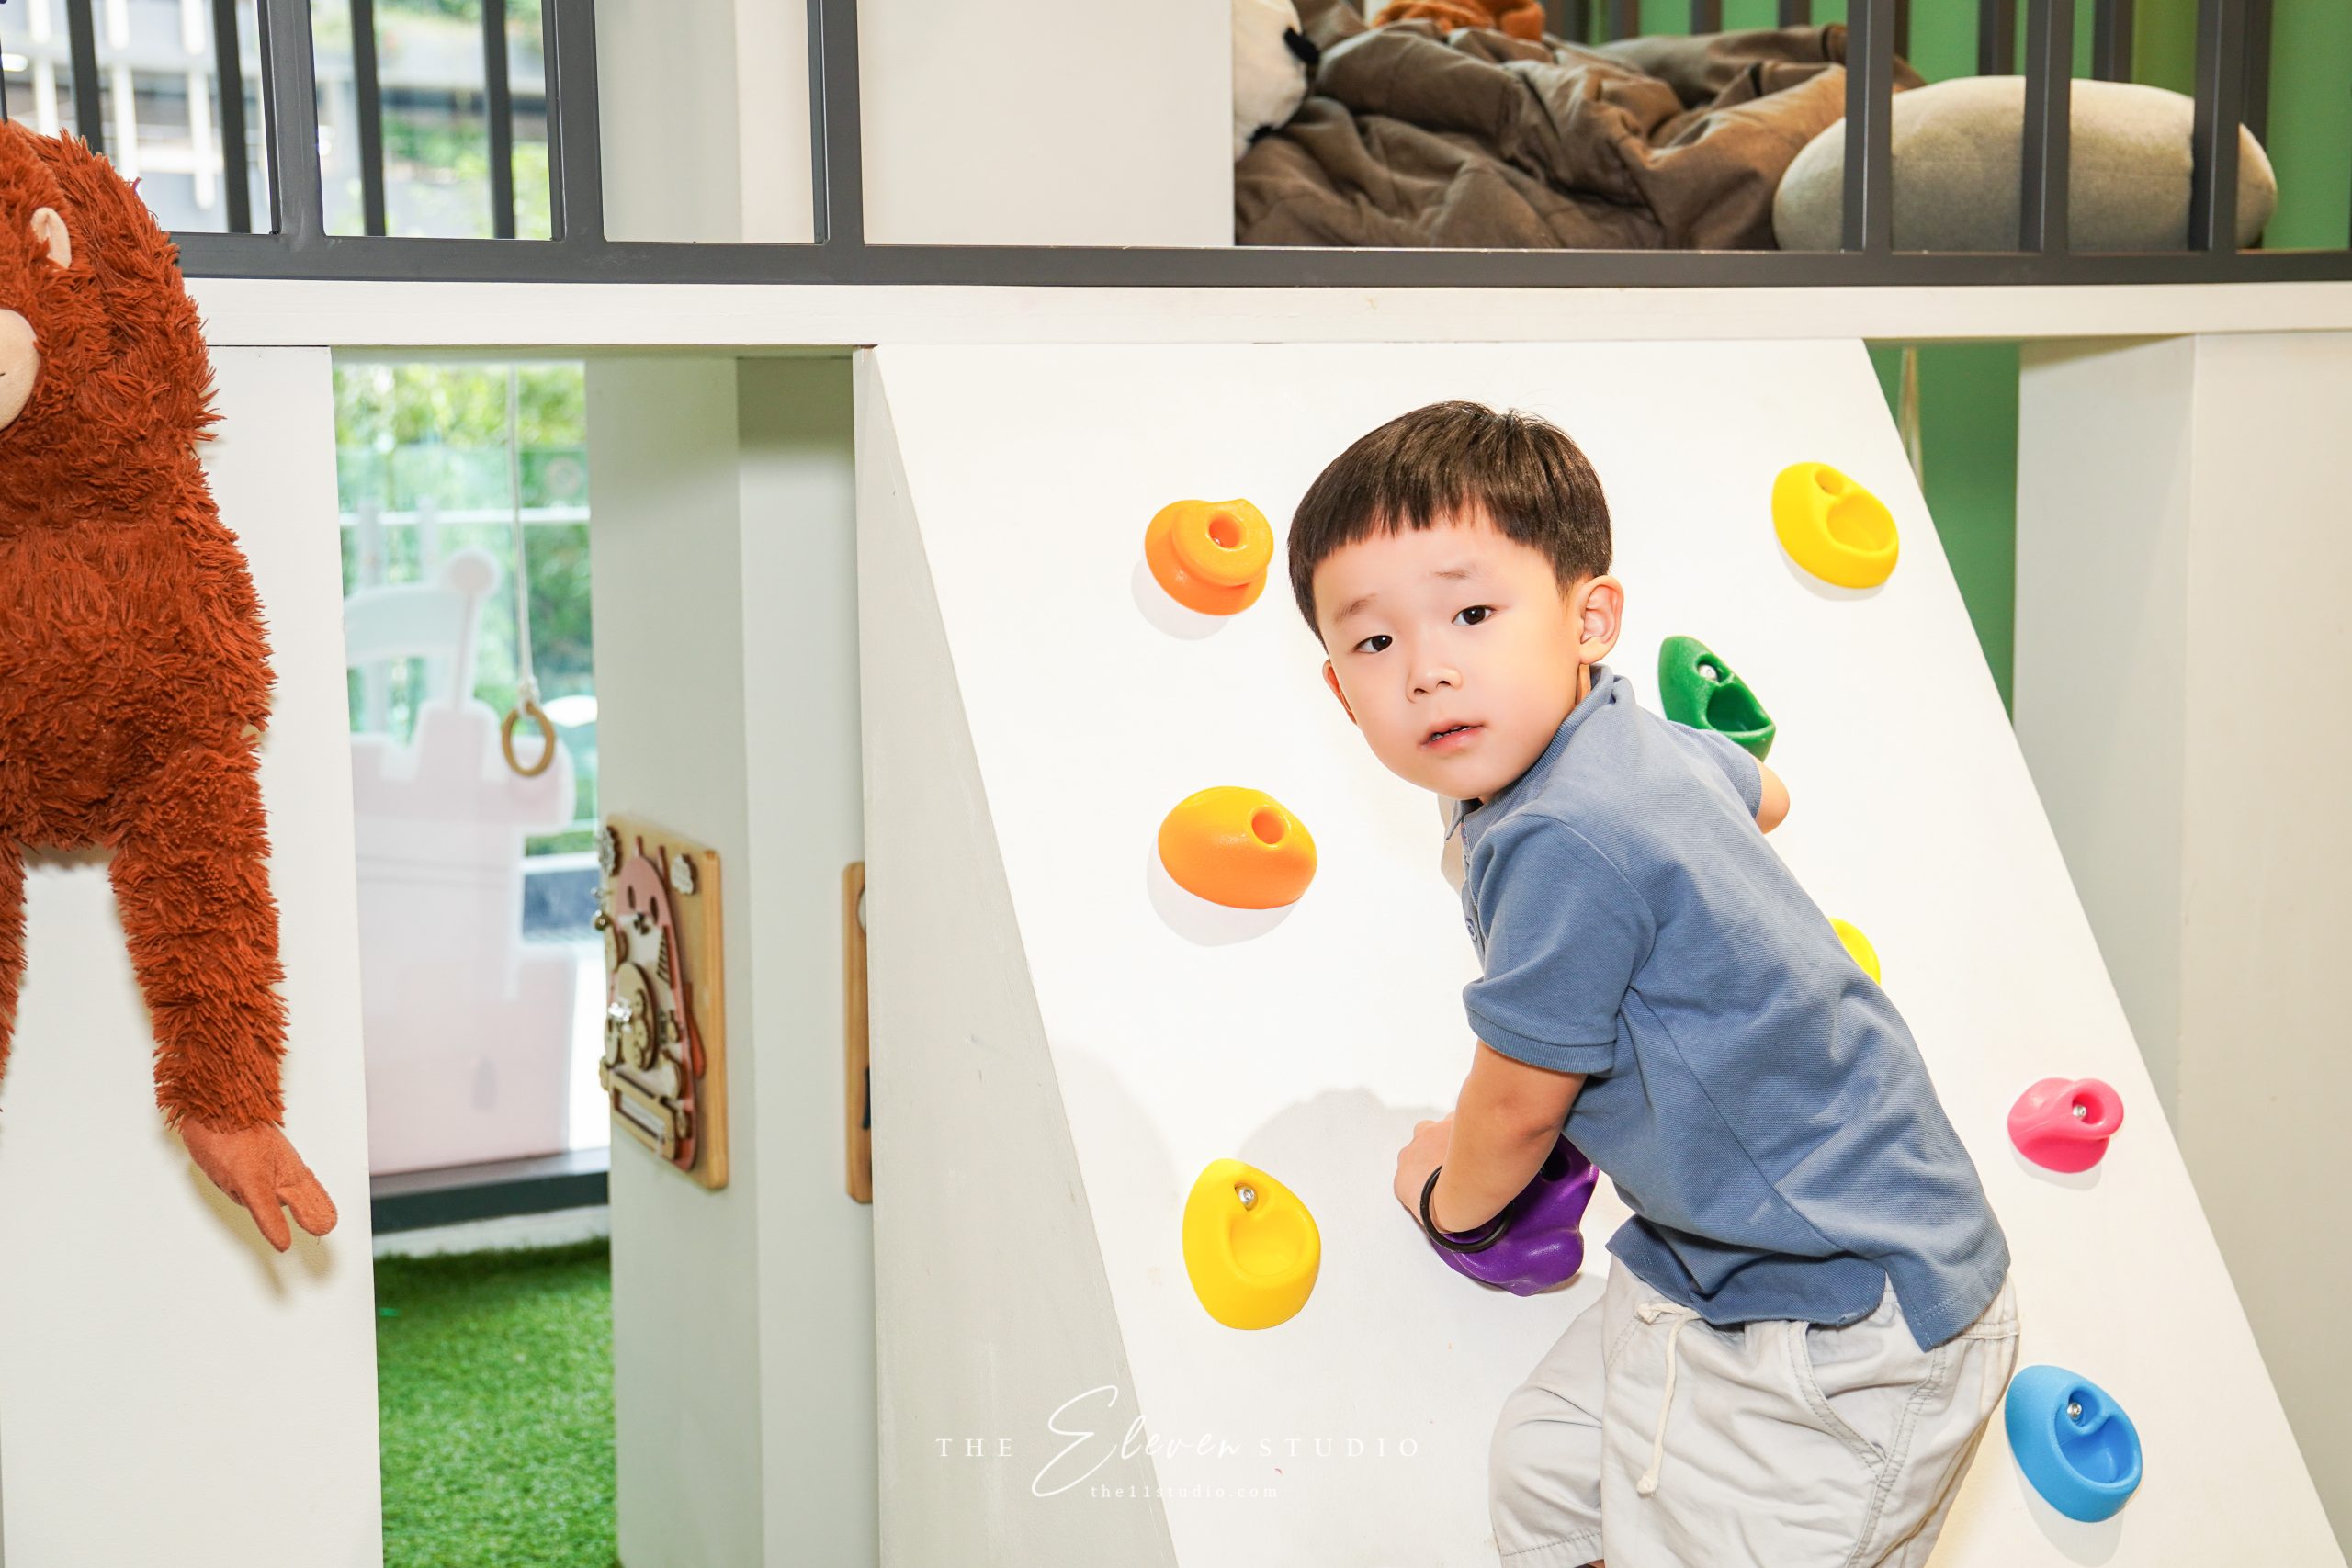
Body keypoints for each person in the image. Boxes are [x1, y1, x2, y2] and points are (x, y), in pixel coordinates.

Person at [1286, 400, 2018, 1567]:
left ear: (1589, 619)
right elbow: (1765, 795)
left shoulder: (1562, 832)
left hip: (1844, 1320)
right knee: (1547, 1469)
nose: (1427, 670)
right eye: (1374, 643)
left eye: (1471, 614)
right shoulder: (1618, 731)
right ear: (1338, 690)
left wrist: (1447, 1195)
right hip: (1714, 1256)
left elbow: (1516, 1107)